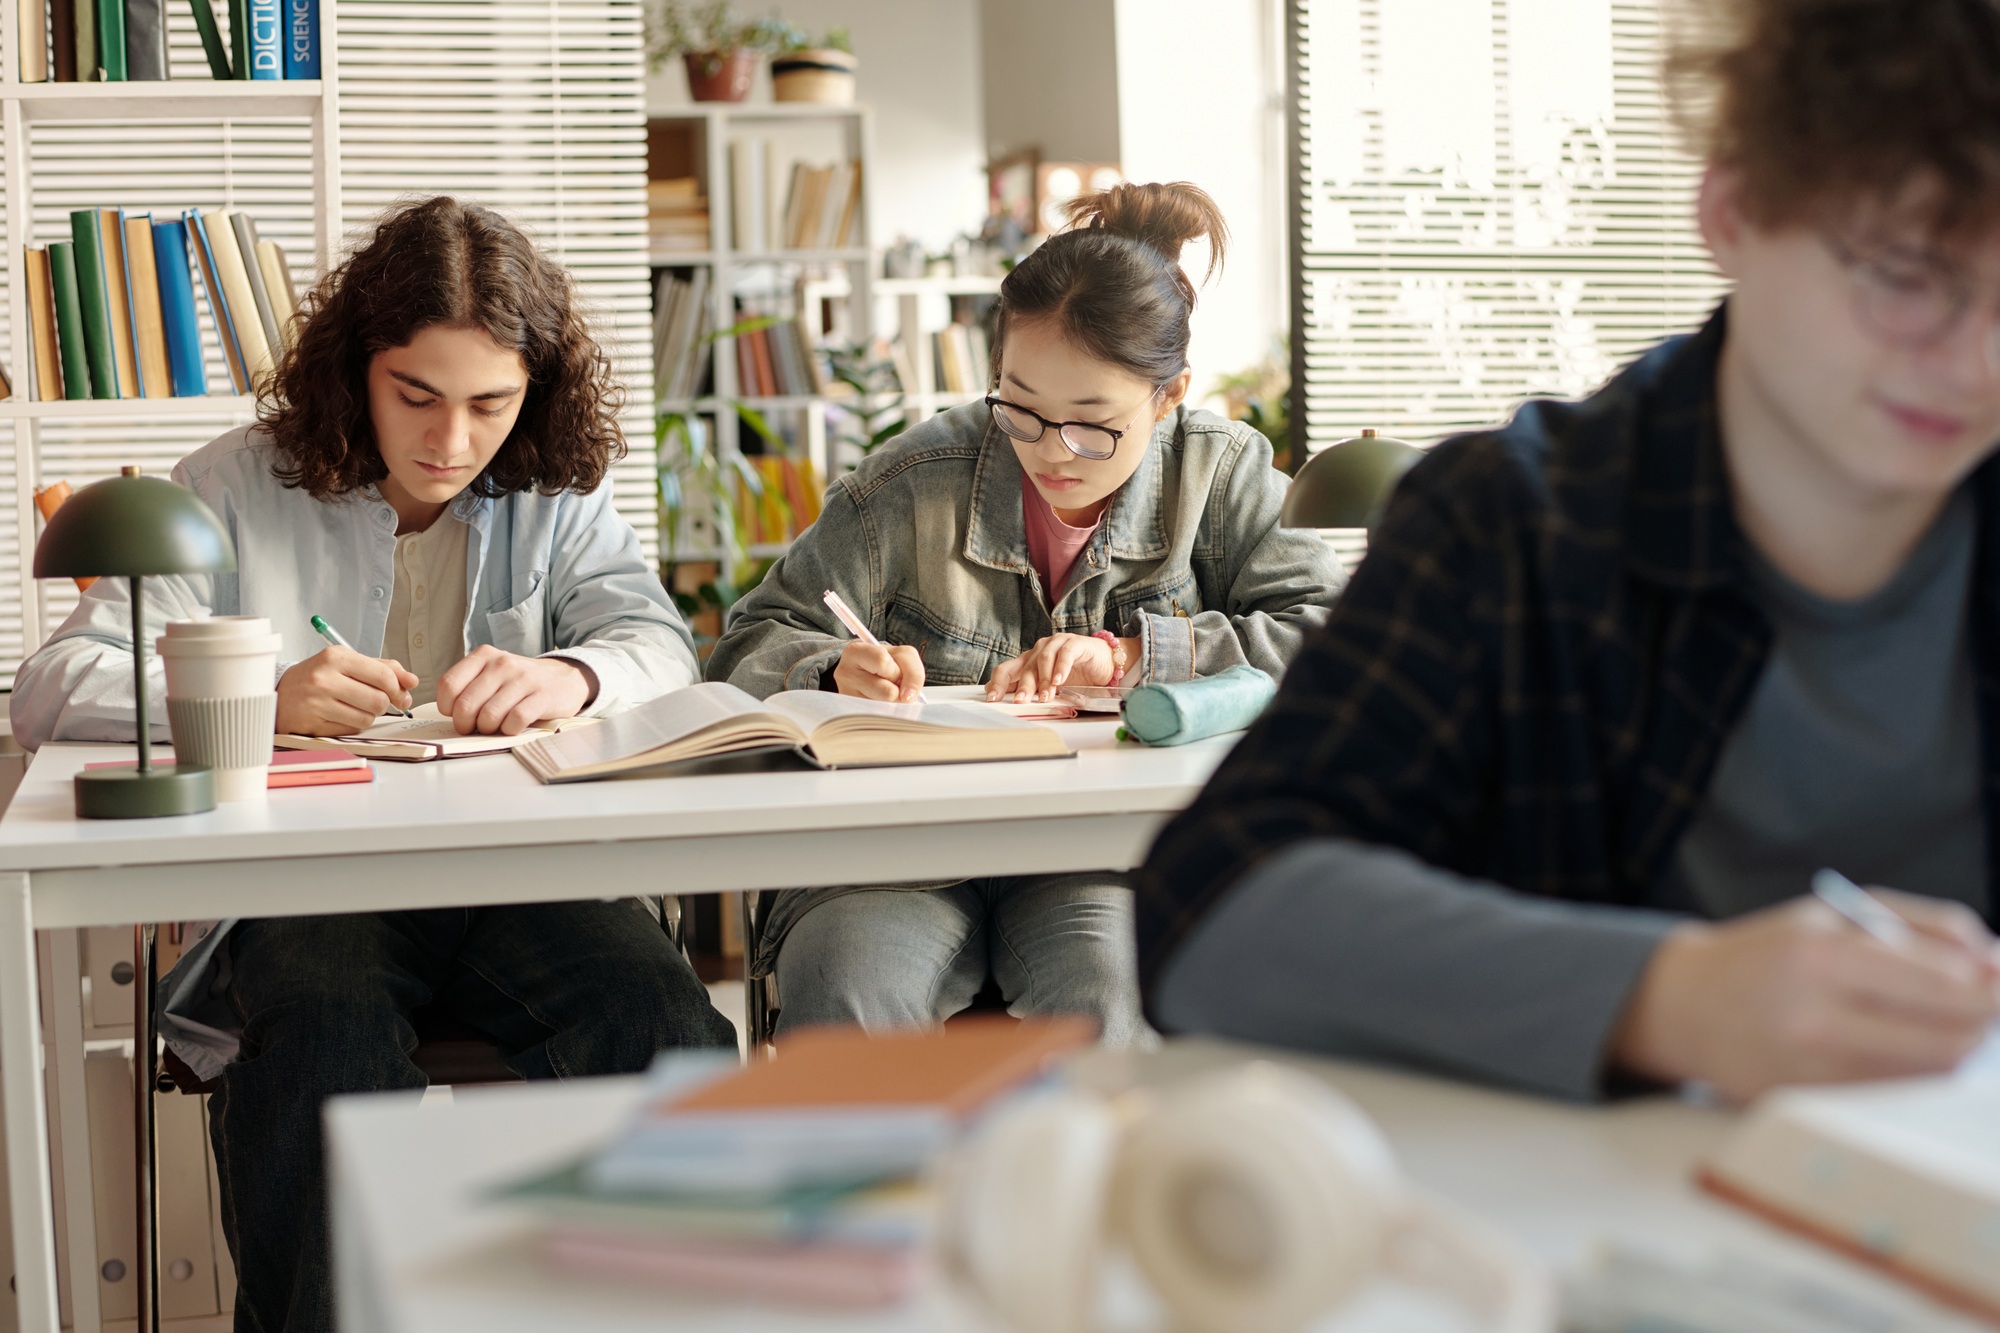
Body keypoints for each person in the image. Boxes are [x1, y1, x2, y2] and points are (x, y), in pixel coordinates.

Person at [1137, 0, 2000, 1105]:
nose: (1975, 364)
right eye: (1904, 273)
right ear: (1729, 209)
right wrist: (1671, 998)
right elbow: (1209, 909)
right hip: (1593, 1228)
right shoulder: (1513, 525)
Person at [11, 196, 738, 1333]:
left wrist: (577, 677)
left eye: (490, 403)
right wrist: (250, 697)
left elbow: (655, 641)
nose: (452, 439)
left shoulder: (556, 489)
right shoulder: (231, 485)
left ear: (531, 395)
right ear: (357, 371)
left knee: (668, 1027)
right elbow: (53, 683)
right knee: (325, 1050)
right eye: (417, 396)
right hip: (310, 887)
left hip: (515, 880)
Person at [708, 182, 1345, 1046]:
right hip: (897, 854)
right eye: (1021, 407)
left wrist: (1132, 656)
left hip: (1104, 852)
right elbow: (748, 640)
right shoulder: (912, 481)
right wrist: (828, 670)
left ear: (1168, 396)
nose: (1051, 451)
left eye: (1093, 425)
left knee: (1121, 988)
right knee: (845, 986)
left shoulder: (1220, 473)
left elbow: (1335, 638)